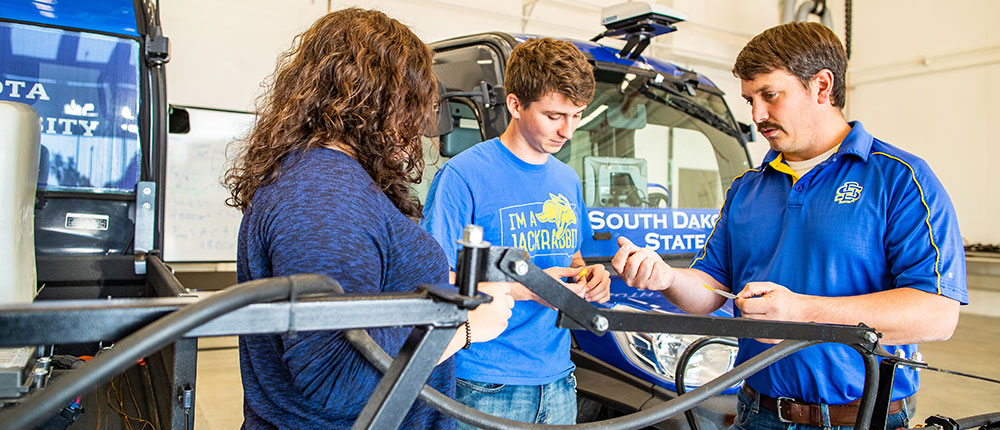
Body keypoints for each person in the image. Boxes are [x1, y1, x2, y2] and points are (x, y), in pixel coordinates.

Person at [612, 22, 967, 430]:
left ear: (821, 86)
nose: (757, 115)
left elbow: (938, 314)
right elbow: (710, 289)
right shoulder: (747, 188)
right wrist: (666, 278)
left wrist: (802, 311)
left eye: (770, 95)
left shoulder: (901, 179)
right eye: (750, 100)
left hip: (861, 418)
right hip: (757, 411)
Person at [223, 9, 514, 429]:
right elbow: (335, 378)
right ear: (383, 98)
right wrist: (463, 327)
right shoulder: (324, 194)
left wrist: (429, 290)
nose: (420, 125)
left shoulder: (328, 179)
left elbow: (366, 302)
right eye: (416, 102)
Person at [420, 38, 612, 427]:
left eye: (577, 115)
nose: (568, 131)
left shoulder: (567, 180)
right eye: (555, 115)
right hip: (483, 383)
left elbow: (570, 256)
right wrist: (526, 288)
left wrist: (589, 278)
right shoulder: (463, 177)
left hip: (558, 378)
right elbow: (433, 280)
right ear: (515, 104)